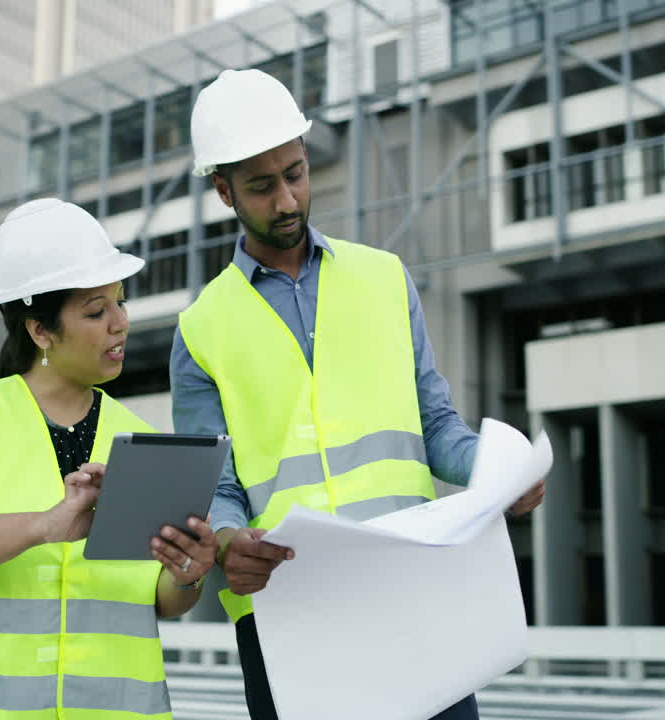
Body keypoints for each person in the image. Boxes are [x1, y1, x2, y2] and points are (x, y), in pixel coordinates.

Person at [170, 69, 546, 720]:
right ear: (223, 189)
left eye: (296, 173)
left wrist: (499, 469)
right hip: (290, 610)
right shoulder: (200, 330)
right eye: (262, 186)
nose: (288, 200)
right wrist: (229, 541)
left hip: (413, 593)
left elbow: (436, 426)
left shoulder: (384, 278)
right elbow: (216, 486)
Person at [0, 198, 219, 719]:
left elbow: (157, 601)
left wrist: (187, 574)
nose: (121, 323)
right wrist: (44, 526)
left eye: (120, 301)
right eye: (95, 310)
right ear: (40, 330)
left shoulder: (138, 437)